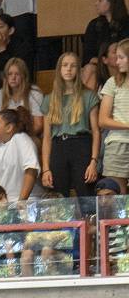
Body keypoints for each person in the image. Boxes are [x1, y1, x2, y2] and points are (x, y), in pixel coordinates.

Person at [42, 52, 101, 197]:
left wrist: (94, 161)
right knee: (59, 196)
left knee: (85, 194)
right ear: (59, 69)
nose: (68, 69)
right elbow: (47, 137)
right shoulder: (49, 99)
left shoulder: (89, 95)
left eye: (73, 66)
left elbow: (96, 132)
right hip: (58, 146)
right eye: (65, 65)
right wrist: (45, 168)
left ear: (79, 70)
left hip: (82, 144)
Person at [0, 58, 44, 138]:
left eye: (17, 74)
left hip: (29, 136)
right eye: (10, 74)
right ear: (6, 76)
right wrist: (8, 138)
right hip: (3, 137)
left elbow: (38, 125)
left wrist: (17, 138)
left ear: (24, 76)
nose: (13, 77)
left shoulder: (35, 94)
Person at [83, 0, 129, 89]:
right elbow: (87, 56)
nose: (96, 3)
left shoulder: (126, 24)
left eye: (100, 0)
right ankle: (86, 98)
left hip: (123, 65)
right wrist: (104, 61)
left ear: (111, 2)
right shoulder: (94, 25)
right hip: (101, 66)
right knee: (89, 69)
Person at [101, 38, 129, 187]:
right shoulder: (112, 82)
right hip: (117, 143)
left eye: (121, 57)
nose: (117, 62)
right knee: (117, 195)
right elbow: (103, 120)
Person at [0, 13, 33, 80]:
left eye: (0, 26)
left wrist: (1, 47)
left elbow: (11, 75)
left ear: (10, 31)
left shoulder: (22, 49)